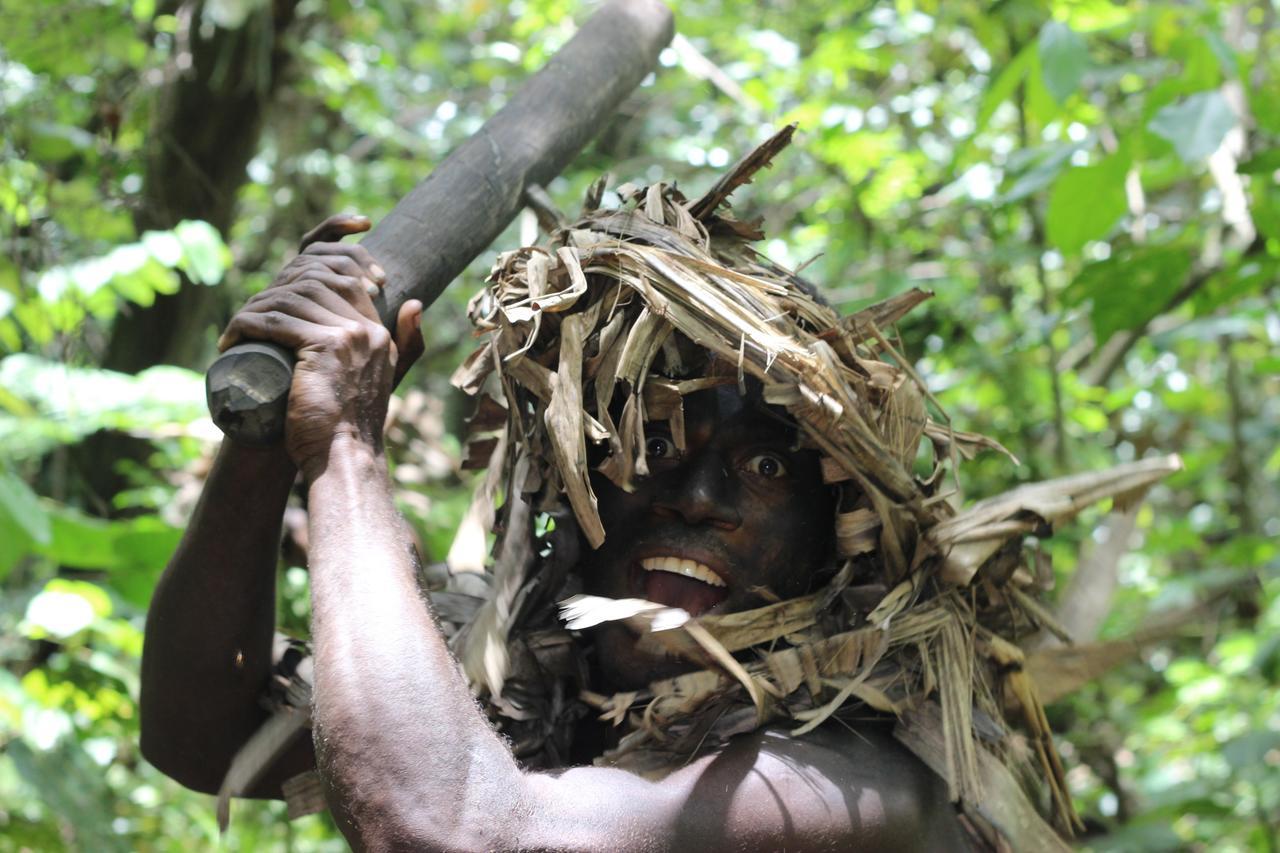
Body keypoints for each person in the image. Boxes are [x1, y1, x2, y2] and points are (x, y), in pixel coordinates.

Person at [140, 212, 976, 851]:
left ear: (839, 536)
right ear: (576, 489)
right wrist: (268, 438)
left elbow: (457, 831)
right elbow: (199, 731)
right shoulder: (531, 681)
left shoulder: (851, 780)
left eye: (764, 468)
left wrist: (345, 451)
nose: (697, 497)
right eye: (652, 443)